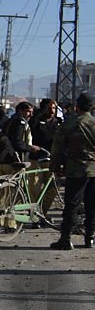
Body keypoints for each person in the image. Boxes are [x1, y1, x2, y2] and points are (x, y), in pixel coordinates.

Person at [49, 92, 95, 250]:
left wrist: (55, 168)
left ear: (77, 106)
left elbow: (57, 149)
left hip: (75, 170)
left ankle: (66, 238)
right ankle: (90, 237)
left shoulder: (69, 124)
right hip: (93, 170)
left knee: (72, 204)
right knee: (92, 205)